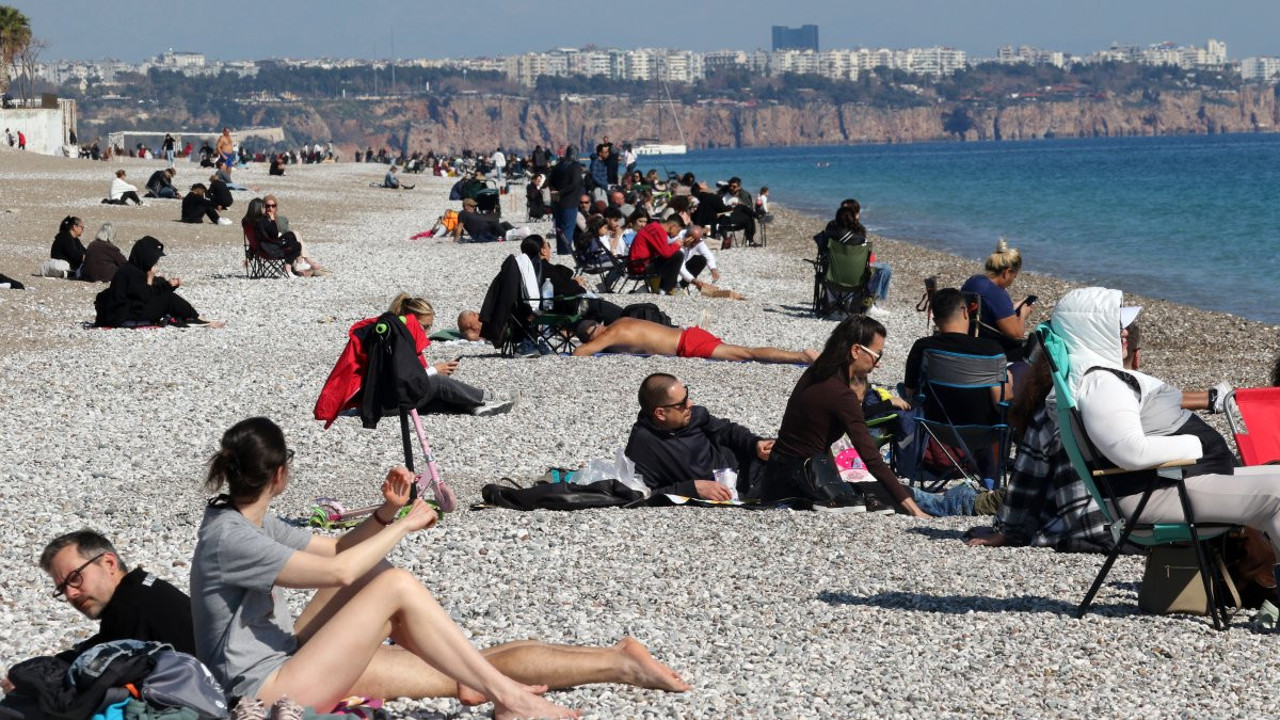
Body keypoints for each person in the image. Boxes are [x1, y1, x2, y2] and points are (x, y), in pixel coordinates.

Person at [192, 417, 688, 716]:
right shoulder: (230, 538)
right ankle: (506, 694)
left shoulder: (245, 519)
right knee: (398, 586)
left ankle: (494, 681)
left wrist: (387, 514)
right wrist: (404, 526)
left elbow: (341, 553)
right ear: (280, 474)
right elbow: (338, 574)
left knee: (380, 572)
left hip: (287, 654)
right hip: (266, 690)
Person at [752, 315, 928, 515]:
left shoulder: (815, 374)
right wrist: (914, 511)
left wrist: (886, 404)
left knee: (871, 491)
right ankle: (955, 503)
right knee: (905, 494)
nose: (878, 363)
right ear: (856, 350)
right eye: (877, 355)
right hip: (806, 483)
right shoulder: (841, 393)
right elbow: (871, 457)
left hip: (777, 480)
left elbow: (855, 417)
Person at [315, 294, 517, 422]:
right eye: (425, 326)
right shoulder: (394, 337)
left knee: (439, 396)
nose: (427, 332)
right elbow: (403, 379)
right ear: (410, 319)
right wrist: (434, 371)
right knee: (438, 383)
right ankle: (488, 397)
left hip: (386, 400)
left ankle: (476, 407)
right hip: (385, 404)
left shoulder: (395, 331)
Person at [902, 287, 1013, 482]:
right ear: (964, 312)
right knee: (1011, 380)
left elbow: (910, 393)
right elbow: (1000, 403)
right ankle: (990, 475)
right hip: (984, 431)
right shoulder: (991, 350)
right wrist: (1010, 381)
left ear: (936, 321)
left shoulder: (923, 347)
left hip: (935, 429)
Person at [625, 373, 772, 500]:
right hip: (735, 492)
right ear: (660, 413)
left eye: (687, 395)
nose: (690, 404)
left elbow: (728, 430)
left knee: (788, 452)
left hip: (748, 464)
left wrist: (755, 443)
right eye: (682, 403)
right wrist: (693, 489)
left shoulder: (693, 416)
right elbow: (642, 494)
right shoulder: (644, 445)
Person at [572, 316, 815, 365]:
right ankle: (800, 355)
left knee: (747, 354)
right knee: (745, 352)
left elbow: (581, 353)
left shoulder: (610, 334)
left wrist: (588, 344)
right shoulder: (619, 322)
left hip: (688, 345)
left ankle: (801, 356)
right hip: (687, 335)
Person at [93, 236, 216, 328]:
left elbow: (147, 290)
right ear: (146, 256)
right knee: (168, 298)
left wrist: (168, 284)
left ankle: (194, 316)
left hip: (124, 311)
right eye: (155, 258)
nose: (156, 261)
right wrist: (158, 281)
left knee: (165, 293)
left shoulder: (133, 268)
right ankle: (194, 318)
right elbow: (146, 296)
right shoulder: (132, 272)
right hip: (122, 315)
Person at [961, 239, 1035, 360]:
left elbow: (988, 311)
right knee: (1034, 344)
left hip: (970, 338)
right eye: (1014, 276)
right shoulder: (996, 293)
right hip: (990, 350)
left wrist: (1011, 309)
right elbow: (1017, 334)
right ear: (1007, 273)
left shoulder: (973, 281)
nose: (1012, 281)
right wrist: (1022, 315)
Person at [627, 215, 696, 294]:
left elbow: (664, 249)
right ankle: (665, 289)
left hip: (638, 264)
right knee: (678, 255)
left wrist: (679, 244)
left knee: (675, 256)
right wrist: (677, 245)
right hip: (639, 266)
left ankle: (668, 288)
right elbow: (666, 253)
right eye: (678, 231)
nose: (677, 234)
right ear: (673, 226)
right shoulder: (657, 230)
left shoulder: (655, 227)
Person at [549, 146, 584, 255]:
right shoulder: (575, 166)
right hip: (570, 201)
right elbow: (574, 184)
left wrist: (556, 192)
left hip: (557, 202)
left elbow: (550, 181)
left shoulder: (558, 165)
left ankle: (561, 250)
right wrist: (561, 192)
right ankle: (566, 251)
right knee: (568, 227)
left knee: (559, 227)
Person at [718, 177, 757, 246]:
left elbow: (749, 208)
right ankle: (758, 216)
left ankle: (750, 241)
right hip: (725, 219)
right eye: (730, 186)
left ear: (739, 187)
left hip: (739, 219)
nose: (731, 188)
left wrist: (739, 204)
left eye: (734, 186)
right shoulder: (724, 195)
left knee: (746, 212)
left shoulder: (744, 196)